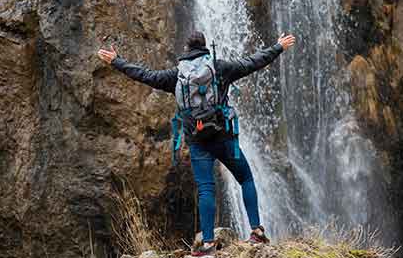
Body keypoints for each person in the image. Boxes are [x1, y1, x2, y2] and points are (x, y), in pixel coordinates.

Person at [98, 32, 296, 257]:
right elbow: (253, 62)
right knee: (246, 178)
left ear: (185, 49)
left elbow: (146, 75)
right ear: (205, 47)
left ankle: (208, 244)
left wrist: (116, 61)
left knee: (205, 189)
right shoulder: (219, 67)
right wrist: (278, 46)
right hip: (224, 137)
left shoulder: (177, 75)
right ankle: (257, 231)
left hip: (197, 141)